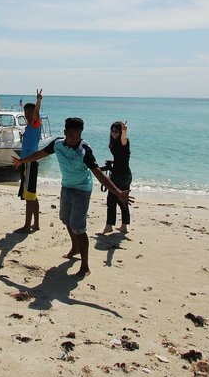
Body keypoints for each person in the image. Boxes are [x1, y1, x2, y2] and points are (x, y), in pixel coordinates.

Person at [12, 117, 133, 278]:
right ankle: (75, 247)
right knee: (65, 219)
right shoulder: (57, 144)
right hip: (67, 186)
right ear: (65, 133)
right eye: (71, 135)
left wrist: (118, 193)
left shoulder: (84, 151)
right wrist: (22, 161)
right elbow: (40, 154)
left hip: (82, 190)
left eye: (78, 135)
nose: (74, 139)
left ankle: (85, 265)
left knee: (78, 227)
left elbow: (98, 174)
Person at [16, 89, 43, 233]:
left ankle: (27, 226)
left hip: (30, 163)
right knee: (32, 194)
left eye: (30, 113)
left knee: (29, 196)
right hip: (27, 163)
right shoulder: (28, 126)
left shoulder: (35, 124)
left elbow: (37, 113)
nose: (28, 115)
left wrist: (38, 101)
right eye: (26, 113)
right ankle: (36, 224)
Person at [101, 121, 132, 234]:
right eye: (112, 131)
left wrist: (124, 130)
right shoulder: (115, 143)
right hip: (125, 175)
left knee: (111, 201)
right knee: (122, 200)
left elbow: (124, 138)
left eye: (116, 131)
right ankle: (124, 226)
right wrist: (112, 162)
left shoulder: (124, 142)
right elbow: (122, 158)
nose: (114, 133)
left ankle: (109, 226)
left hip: (119, 176)